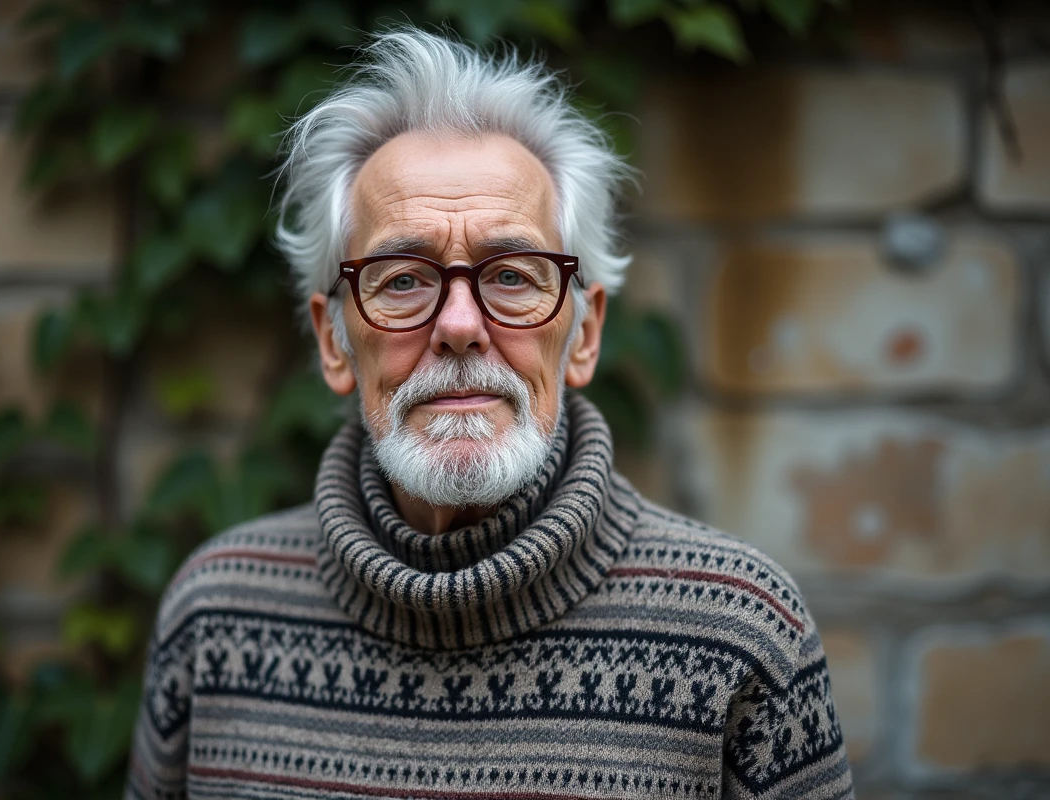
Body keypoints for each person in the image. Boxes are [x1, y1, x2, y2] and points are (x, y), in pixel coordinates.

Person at [126, 27, 854, 800]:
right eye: (401, 279)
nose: (461, 325)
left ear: (585, 332)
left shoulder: (741, 631)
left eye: (511, 274)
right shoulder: (217, 615)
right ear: (334, 341)